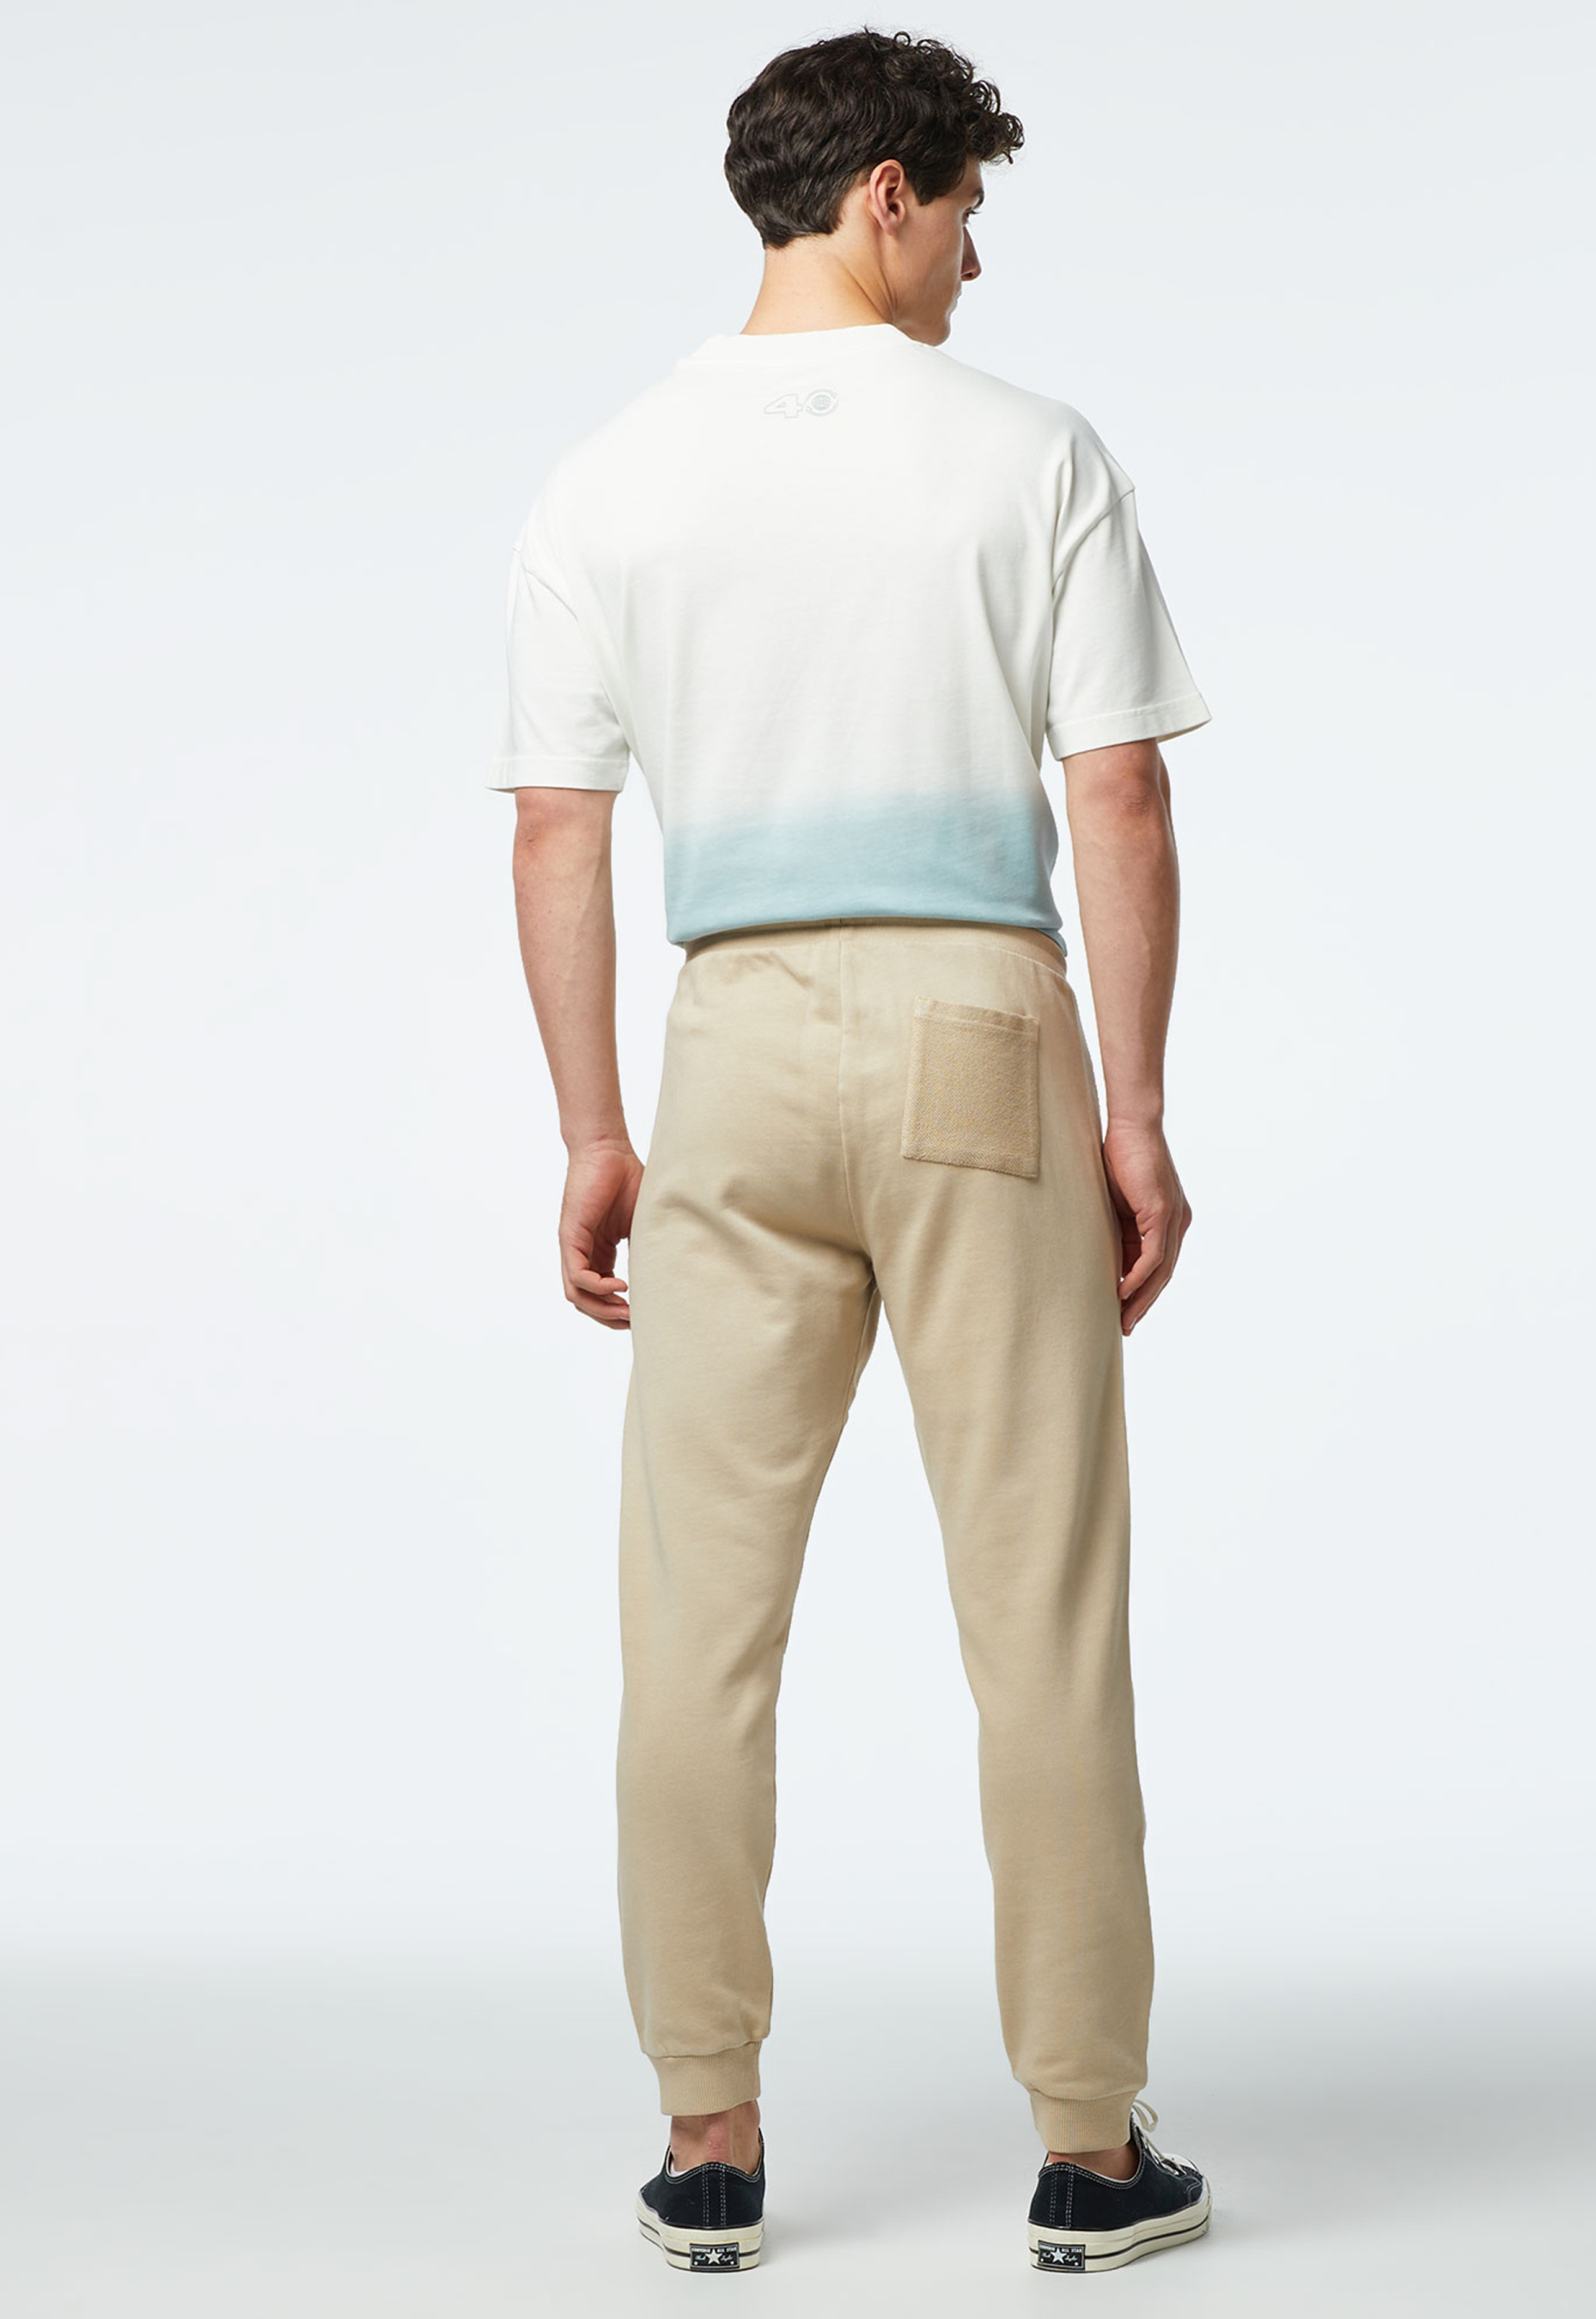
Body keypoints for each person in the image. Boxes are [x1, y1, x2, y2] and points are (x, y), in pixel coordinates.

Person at [489, 27, 1213, 2276]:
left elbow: (557, 829)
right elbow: (1116, 790)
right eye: (968, 212)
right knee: (1041, 1610)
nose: (978, 264)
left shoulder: (608, 476)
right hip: (978, 1024)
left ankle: (706, 2139)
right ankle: (1087, 2153)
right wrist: (1135, 1111)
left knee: (694, 1621)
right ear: (887, 190)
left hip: (729, 1037)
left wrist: (595, 1128)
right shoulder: (1029, 451)